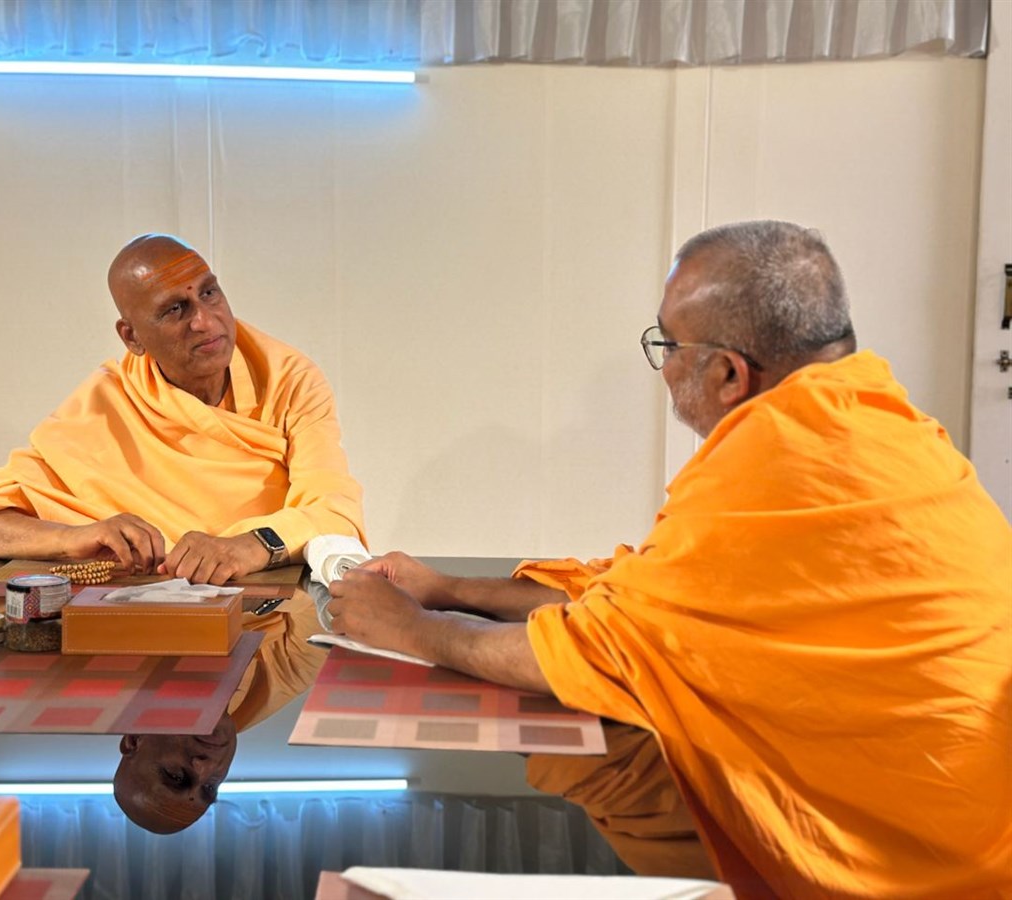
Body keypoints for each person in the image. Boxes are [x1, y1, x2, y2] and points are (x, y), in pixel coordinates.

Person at [327, 221, 1012, 898]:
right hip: (967, 808)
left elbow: (591, 650)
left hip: (920, 862)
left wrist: (409, 628)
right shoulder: (884, 420)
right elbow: (648, 597)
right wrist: (447, 587)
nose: (664, 365)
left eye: (669, 344)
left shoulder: (776, 460)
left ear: (726, 373)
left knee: (608, 741)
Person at [0, 234, 365, 583]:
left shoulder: (288, 378)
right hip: (145, 604)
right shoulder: (108, 401)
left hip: (267, 603)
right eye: (175, 309)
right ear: (131, 337)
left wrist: (249, 545)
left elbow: (335, 511)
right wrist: (75, 538)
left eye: (210, 294)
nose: (205, 321)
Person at [115, 588, 327, 833]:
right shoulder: (264, 692)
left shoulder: (111, 648)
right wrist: (259, 596)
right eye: (209, 787)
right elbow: (330, 598)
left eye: (175, 776)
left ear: (134, 740)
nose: (204, 767)